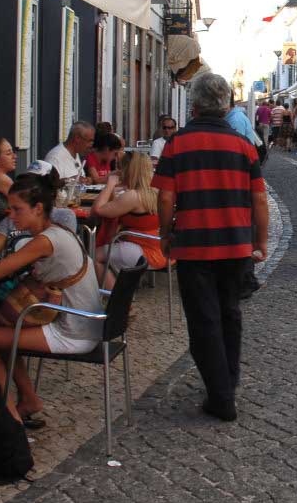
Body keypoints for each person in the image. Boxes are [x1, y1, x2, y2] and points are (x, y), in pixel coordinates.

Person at [154, 73, 268, 422]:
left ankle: (220, 396)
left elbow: (166, 196)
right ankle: (228, 382)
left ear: (195, 104)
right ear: (225, 104)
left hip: (195, 246)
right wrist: (260, 242)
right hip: (235, 245)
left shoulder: (177, 144)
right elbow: (259, 199)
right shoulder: (243, 145)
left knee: (204, 320)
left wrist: (164, 233)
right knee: (229, 312)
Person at [0, 172, 102, 424]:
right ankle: (29, 399)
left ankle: (8, 421)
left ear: (38, 208)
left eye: (16, 209)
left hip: (75, 331)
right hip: (86, 321)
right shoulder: (58, 231)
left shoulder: (44, 241)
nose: (10, 215)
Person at [92, 151, 163, 290]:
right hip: (161, 250)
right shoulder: (155, 190)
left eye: (121, 168)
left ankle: (118, 300)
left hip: (142, 252)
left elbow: (98, 210)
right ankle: (122, 290)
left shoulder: (133, 196)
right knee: (111, 249)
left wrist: (110, 184)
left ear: (128, 170)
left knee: (93, 256)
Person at [225, 92, 264, 299]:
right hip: (240, 184)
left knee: (242, 230)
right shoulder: (234, 119)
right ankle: (245, 279)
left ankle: (246, 280)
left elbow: (236, 156)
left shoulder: (235, 121)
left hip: (240, 184)